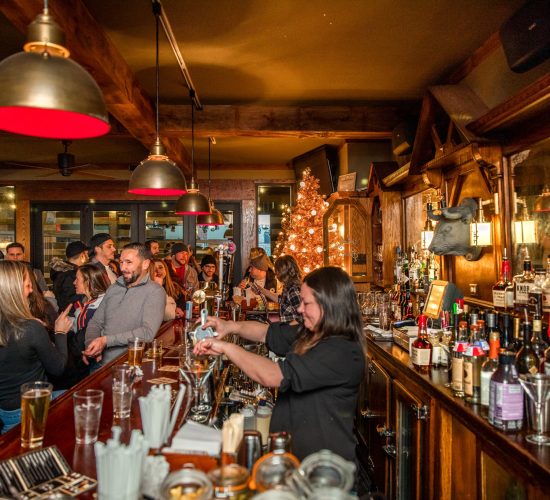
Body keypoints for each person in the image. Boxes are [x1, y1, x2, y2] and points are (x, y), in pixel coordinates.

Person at [195, 266, 365, 461]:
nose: (300, 309)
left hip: (324, 469)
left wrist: (226, 348)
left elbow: (273, 375)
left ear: (328, 305)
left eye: (306, 303)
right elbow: (265, 333)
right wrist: (230, 326)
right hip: (298, 462)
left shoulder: (341, 350)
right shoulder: (311, 333)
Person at [0, 261, 71, 434]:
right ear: (14, 290)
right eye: (27, 286)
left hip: (4, 409)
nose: (31, 290)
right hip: (29, 409)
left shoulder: (26, 326)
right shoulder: (30, 328)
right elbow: (58, 368)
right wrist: (60, 333)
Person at [83, 242, 166, 367]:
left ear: (145, 264)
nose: (122, 268)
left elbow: (147, 333)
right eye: (121, 262)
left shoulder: (155, 291)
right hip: (99, 365)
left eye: (129, 262)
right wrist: (92, 345)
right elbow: (95, 322)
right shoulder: (114, 288)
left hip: (128, 366)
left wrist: (106, 341)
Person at [49, 264, 108, 390]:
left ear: (88, 282)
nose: (74, 282)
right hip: (79, 358)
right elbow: (76, 324)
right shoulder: (83, 300)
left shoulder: (102, 304)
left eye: (77, 279)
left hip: (91, 360)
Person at [253, 255, 303, 324]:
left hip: (292, 331)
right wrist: (262, 290)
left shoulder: (293, 289)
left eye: (277, 270)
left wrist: (282, 329)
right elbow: (281, 299)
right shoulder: (288, 287)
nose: (276, 274)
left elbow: (302, 317)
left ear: (283, 271)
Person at [50, 240, 89, 312]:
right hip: (71, 316)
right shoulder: (70, 274)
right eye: (86, 254)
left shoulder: (64, 271)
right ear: (82, 256)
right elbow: (72, 300)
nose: (88, 257)